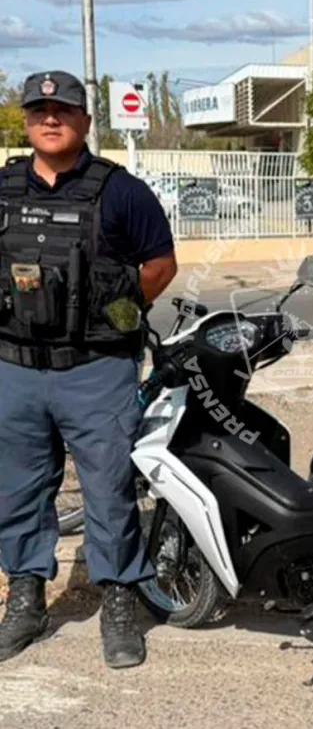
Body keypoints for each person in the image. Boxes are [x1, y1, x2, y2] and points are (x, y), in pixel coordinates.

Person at [0, 71, 177, 668]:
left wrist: (117, 315)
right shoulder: (2, 188)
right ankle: (27, 599)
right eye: (39, 109)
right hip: (14, 370)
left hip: (96, 369)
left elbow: (161, 264)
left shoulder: (121, 192)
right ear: (26, 120)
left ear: (85, 121)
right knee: (19, 492)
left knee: (108, 493)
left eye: (64, 109)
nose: (51, 119)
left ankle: (119, 601)